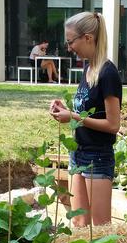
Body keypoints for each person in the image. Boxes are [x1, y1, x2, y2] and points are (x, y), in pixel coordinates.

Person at [49, 12, 122, 226]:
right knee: (79, 223)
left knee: (100, 229)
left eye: (71, 41)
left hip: (97, 156)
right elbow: (88, 111)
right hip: (78, 152)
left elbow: (113, 125)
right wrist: (65, 110)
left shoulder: (108, 73)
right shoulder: (88, 68)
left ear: (88, 38)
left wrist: (72, 116)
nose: (69, 47)